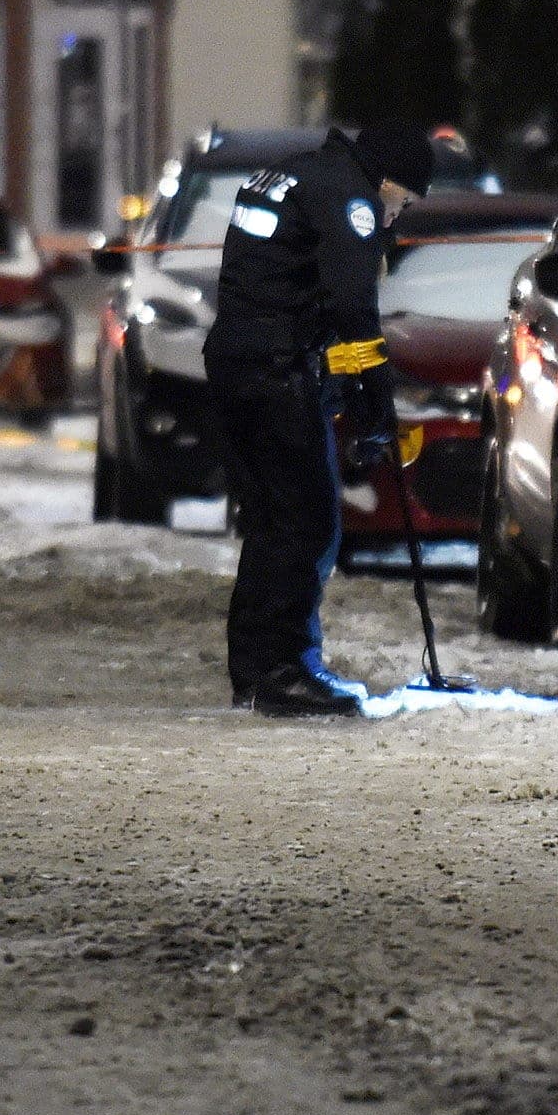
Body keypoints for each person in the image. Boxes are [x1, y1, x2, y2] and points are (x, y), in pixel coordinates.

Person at [203, 120, 437, 717]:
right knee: (306, 524)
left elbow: (288, 288)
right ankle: (285, 670)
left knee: (269, 523)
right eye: (403, 201)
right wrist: (375, 406)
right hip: (277, 374)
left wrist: (339, 388)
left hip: (237, 363)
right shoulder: (350, 200)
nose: (397, 217)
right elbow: (353, 309)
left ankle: (253, 670)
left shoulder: (294, 174)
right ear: (388, 179)